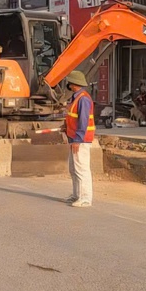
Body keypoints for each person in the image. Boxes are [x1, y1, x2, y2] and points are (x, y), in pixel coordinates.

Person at [64, 70, 95, 207]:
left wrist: (78, 139)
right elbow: (74, 118)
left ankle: (85, 198)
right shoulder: (76, 97)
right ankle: (77, 195)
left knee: (81, 169)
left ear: (73, 83)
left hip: (81, 140)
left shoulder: (83, 99)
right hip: (74, 138)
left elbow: (83, 121)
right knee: (74, 169)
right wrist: (65, 127)